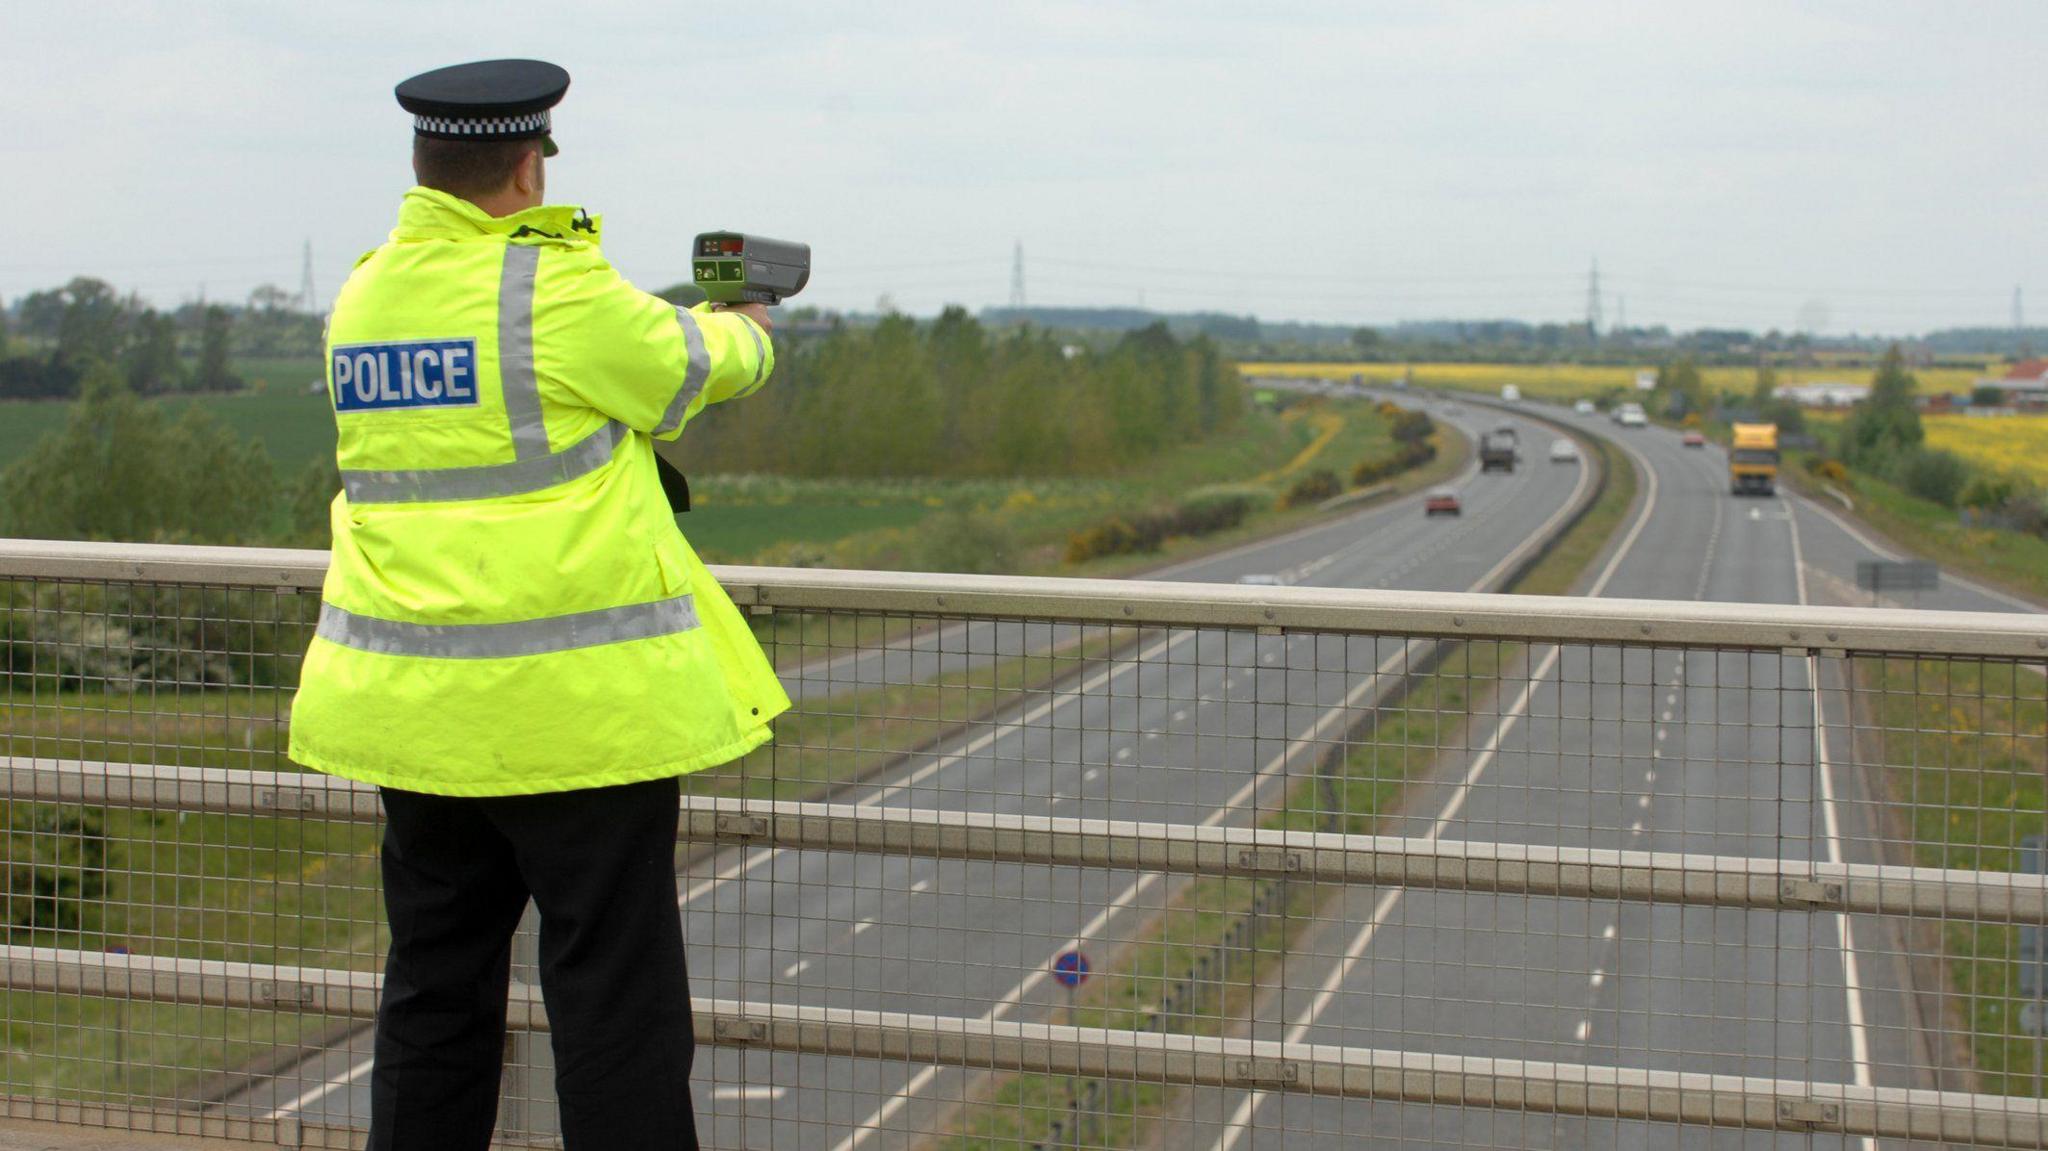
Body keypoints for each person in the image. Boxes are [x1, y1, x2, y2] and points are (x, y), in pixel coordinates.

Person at [287, 58, 788, 1151]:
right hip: (577, 718)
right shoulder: (548, 287)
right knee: (611, 997)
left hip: (414, 712)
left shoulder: (364, 294)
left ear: (425, 163)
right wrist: (747, 317)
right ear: (528, 163)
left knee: (433, 988)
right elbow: (689, 366)